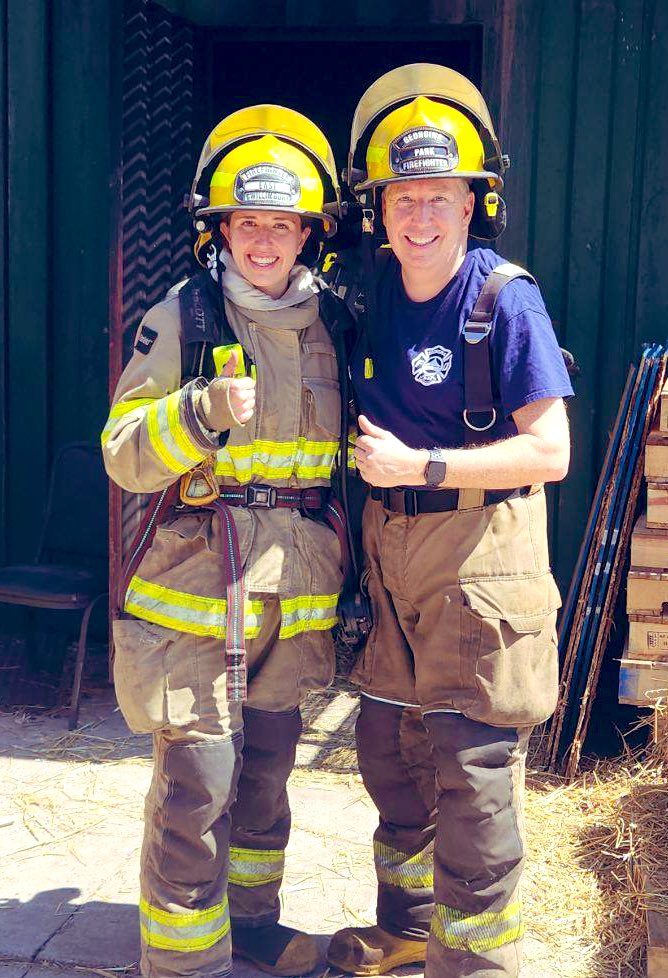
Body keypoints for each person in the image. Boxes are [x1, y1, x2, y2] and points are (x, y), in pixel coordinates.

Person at [326, 64, 574, 978]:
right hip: (393, 552)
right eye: (401, 199)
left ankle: (476, 965)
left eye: (439, 197)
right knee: (389, 753)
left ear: (473, 205)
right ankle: (408, 930)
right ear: (377, 209)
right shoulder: (378, 288)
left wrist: (423, 466)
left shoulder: (506, 299)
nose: (419, 217)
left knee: (470, 775)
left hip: (483, 550)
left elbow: (551, 452)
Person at [102, 106, 345, 978]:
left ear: (310, 234)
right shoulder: (182, 320)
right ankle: (181, 962)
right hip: (196, 598)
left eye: (282, 224)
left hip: (294, 596)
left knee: (267, 782)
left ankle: (252, 926)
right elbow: (123, 454)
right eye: (248, 222)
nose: (265, 241)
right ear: (221, 229)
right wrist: (197, 414)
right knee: (197, 788)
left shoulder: (334, 325)